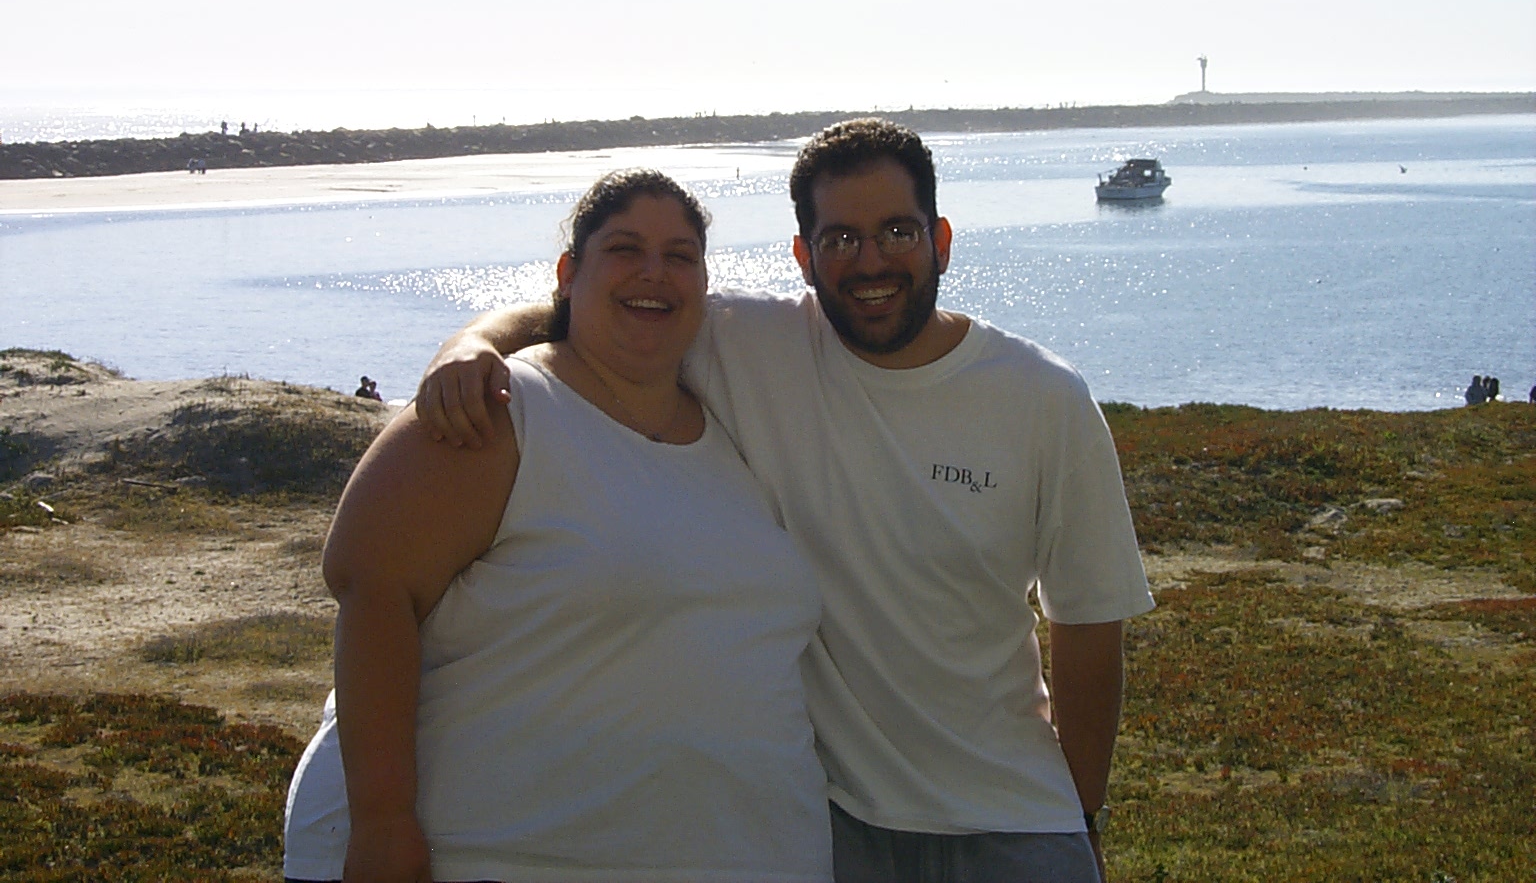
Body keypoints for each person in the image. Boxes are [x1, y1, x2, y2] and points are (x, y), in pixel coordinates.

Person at [416, 119, 1155, 883]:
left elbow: (1088, 625)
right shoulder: (747, 343)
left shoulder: (1043, 398)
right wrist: (472, 344)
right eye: (841, 239)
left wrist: (1083, 816)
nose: (871, 261)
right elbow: (596, 310)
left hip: (1015, 820)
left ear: (940, 240)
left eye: (897, 232)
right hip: (833, 823)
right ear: (803, 257)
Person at [284, 169, 832, 882]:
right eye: (625, 249)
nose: (654, 272)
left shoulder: (729, 421)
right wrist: (383, 822)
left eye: (680, 256)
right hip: (496, 854)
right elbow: (370, 581)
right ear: (569, 274)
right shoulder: (501, 407)